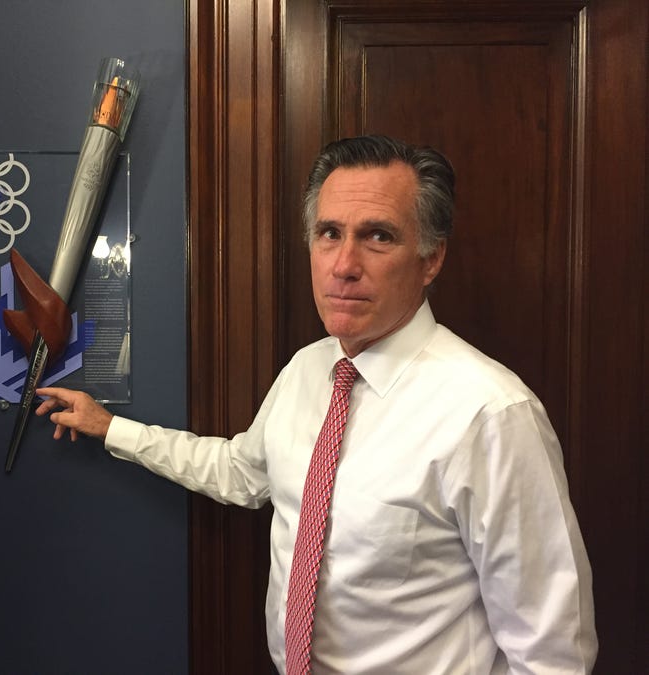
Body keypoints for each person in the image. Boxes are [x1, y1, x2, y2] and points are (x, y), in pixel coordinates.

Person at [35, 135, 597, 674]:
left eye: (378, 236)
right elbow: (241, 471)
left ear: (431, 259)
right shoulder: (309, 370)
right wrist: (110, 428)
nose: (344, 263)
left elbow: (552, 652)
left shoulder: (489, 414)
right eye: (329, 233)